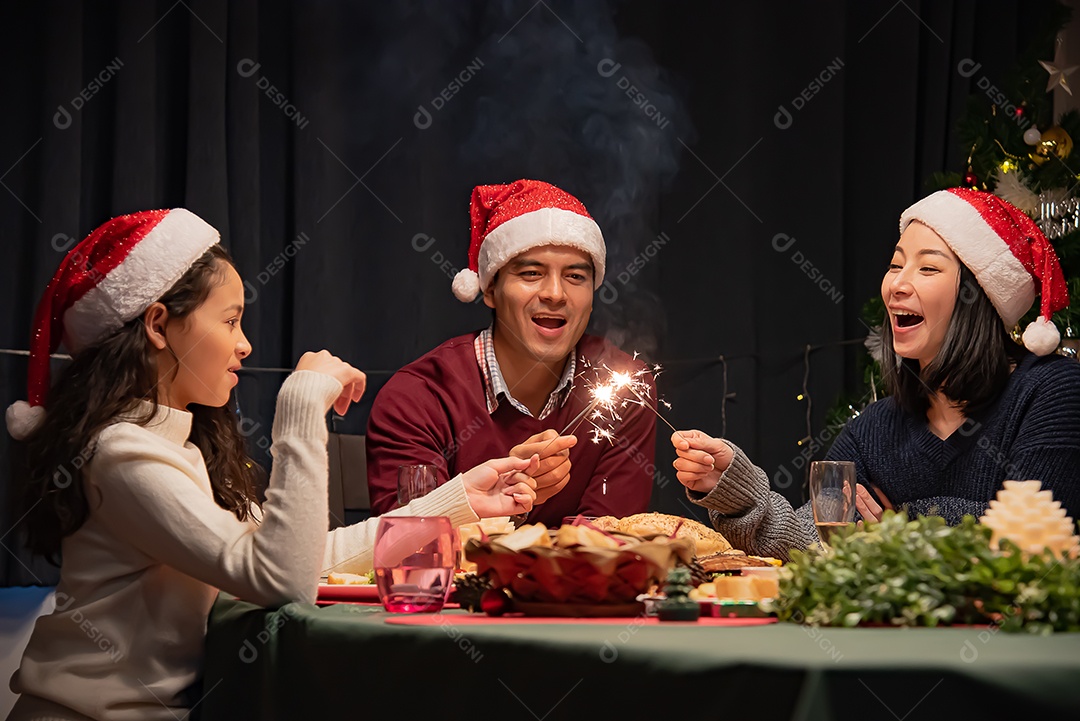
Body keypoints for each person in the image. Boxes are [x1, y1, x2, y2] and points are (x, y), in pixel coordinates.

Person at [5, 209, 537, 721]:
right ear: (160, 325)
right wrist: (302, 406)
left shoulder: (176, 448)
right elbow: (284, 580)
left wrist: (462, 499)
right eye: (231, 320)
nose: (245, 344)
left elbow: (309, 556)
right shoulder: (121, 454)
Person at [670, 188, 1080, 562]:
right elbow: (814, 545)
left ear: (979, 296)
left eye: (928, 269)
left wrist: (896, 523)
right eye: (895, 264)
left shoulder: (1052, 392)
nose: (897, 284)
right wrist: (734, 486)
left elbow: (1035, 532)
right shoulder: (868, 433)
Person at [366, 179, 657, 525]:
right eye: (531, 273)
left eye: (575, 277)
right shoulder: (417, 398)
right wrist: (504, 506)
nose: (555, 293)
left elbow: (611, 542)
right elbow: (413, 547)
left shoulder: (625, 389)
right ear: (489, 290)